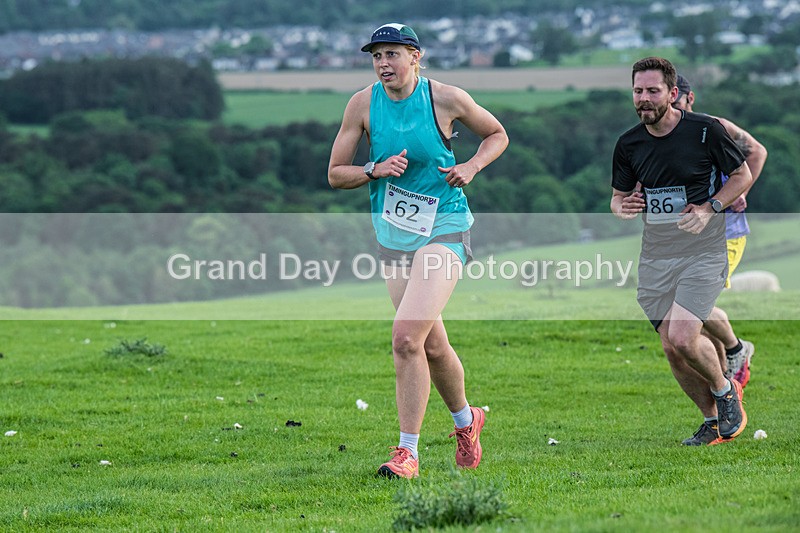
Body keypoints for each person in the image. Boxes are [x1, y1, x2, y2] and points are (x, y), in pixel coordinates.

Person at [327, 23, 508, 478]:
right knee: (430, 343)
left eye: (392, 54)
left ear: (415, 57)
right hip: (394, 236)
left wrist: (471, 165)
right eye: (376, 56)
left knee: (406, 337)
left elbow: (497, 134)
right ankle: (468, 421)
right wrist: (374, 168)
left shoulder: (445, 98)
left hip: (444, 226)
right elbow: (334, 174)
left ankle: (407, 452)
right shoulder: (362, 104)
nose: (383, 63)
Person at [611, 57, 752, 447]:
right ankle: (711, 420)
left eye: (653, 91)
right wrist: (624, 207)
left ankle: (726, 392)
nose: (644, 99)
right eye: (638, 91)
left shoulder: (706, 131)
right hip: (656, 256)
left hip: (703, 252)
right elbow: (617, 199)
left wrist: (711, 208)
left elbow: (743, 174)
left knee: (685, 336)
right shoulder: (628, 144)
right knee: (672, 348)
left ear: (673, 94)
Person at [672, 74, 768, 389]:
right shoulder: (662, 136)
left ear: (689, 98)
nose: (672, 108)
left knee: (691, 303)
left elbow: (758, 151)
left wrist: (741, 189)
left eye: (677, 100)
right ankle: (728, 376)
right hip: (689, 235)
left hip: (727, 231)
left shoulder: (716, 127)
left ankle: (736, 350)